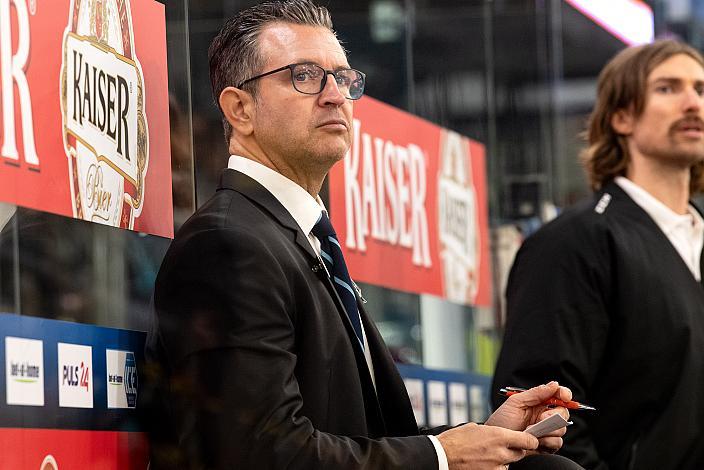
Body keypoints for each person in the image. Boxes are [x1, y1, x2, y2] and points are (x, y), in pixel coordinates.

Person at [144, 1, 582, 469]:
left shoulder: (296, 237)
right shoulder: (226, 245)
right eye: (305, 76)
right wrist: (442, 455)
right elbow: (257, 453)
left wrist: (483, 438)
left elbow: (359, 436)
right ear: (240, 108)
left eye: (343, 78)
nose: (335, 95)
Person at [491, 39, 704, 469]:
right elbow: (544, 427)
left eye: (700, 89)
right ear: (621, 116)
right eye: (667, 88)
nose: (692, 103)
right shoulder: (574, 243)